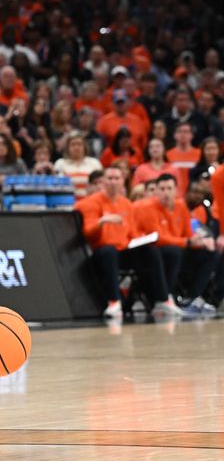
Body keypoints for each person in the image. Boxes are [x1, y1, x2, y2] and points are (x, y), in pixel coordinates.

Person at [75, 166, 182, 325]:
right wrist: (101, 222)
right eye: (109, 178)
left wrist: (143, 240)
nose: (113, 182)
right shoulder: (90, 203)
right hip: (100, 252)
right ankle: (114, 301)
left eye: (117, 178)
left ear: (122, 182)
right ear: (103, 181)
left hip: (124, 250)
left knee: (152, 252)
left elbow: (132, 233)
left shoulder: (126, 204)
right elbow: (87, 233)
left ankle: (162, 300)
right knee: (109, 251)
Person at [133, 174, 217, 316]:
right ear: (157, 191)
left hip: (179, 250)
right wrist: (187, 242)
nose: (166, 192)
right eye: (162, 188)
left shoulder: (181, 206)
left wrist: (201, 241)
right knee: (172, 251)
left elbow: (188, 234)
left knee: (211, 253)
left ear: (176, 190)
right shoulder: (147, 207)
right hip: (157, 253)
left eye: (169, 188)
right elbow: (158, 238)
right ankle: (165, 298)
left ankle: (191, 297)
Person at [54, 131, 103, 198]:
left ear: (84, 147)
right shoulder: (60, 163)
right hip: (67, 203)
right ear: (68, 148)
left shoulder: (94, 163)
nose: (76, 147)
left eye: (79, 144)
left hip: (90, 201)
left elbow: (101, 185)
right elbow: (56, 186)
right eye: (73, 144)